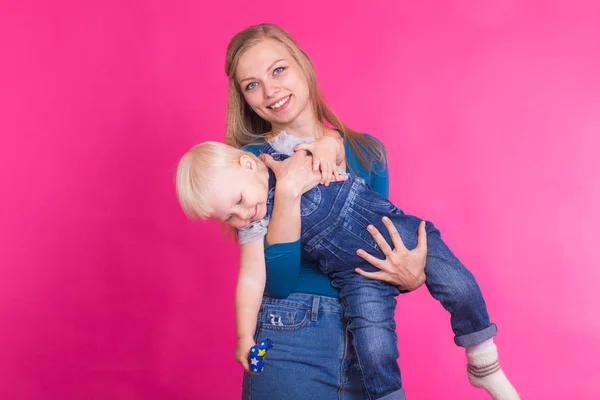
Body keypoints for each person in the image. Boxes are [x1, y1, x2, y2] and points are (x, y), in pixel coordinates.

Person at [177, 129, 519, 400]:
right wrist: (244, 335)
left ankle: (483, 360)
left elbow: (332, 144)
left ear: (249, 165)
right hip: (356, 277)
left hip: (394, 229)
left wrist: (328, 143)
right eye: (230, 217)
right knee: (374, 348)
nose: (243, 214)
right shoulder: (256, 224)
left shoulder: (287, 149)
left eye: (239, 201)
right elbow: (253, 279)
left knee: (460, 286)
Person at [222, 22, 426, 400]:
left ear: (303, 65)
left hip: (367, 334)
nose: (270, 91)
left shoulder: (367, 152)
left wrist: (408, 276)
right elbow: (279, 281)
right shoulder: (252, 163)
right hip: (288, 336)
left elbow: (377, 254)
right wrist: (286, 190)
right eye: (251, 85)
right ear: (245, 99)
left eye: (278, 69)